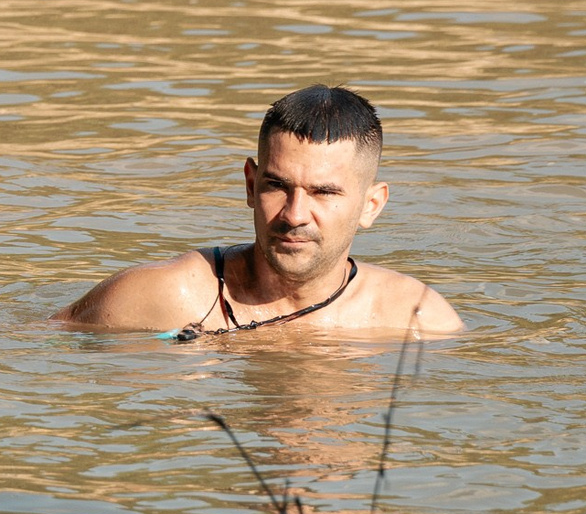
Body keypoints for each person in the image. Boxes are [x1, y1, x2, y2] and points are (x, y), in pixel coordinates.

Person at [56, 84, 463, 340]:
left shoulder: (416, 319)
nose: (295, 214)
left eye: (324, 192)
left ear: (371, 205)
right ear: (251, 185)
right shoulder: (164, 297)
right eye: (276, 186)